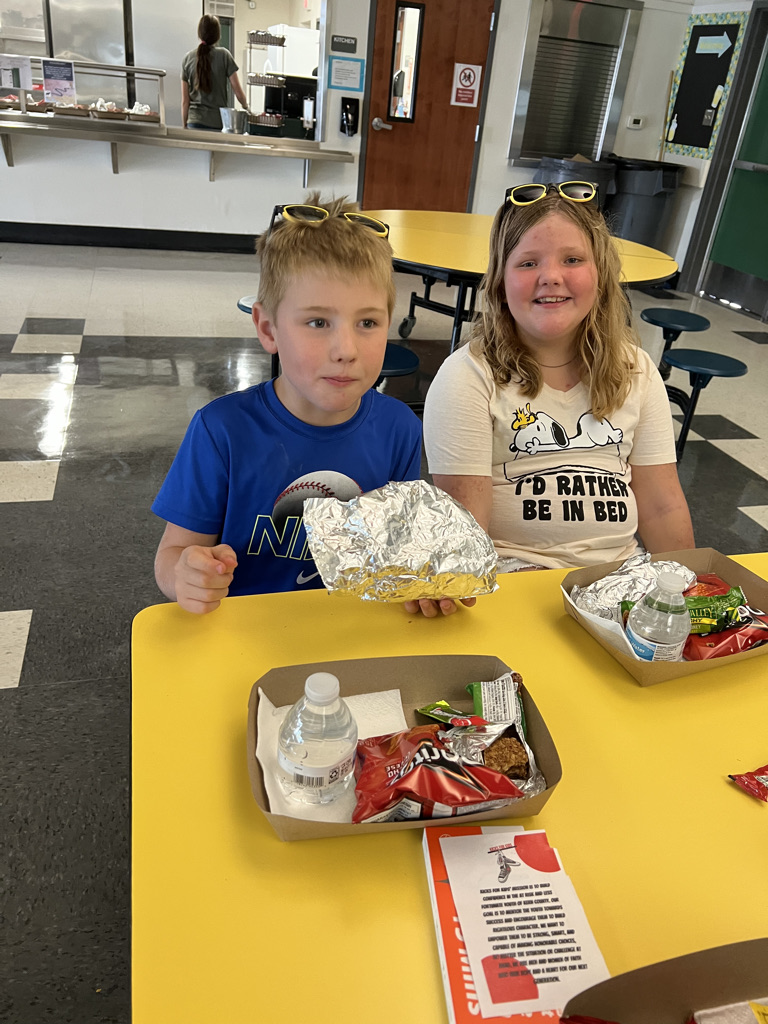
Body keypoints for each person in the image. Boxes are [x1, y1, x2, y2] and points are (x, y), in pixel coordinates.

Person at [152, 195, 423, 614]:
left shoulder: (400, 427)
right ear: (268, 328)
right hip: (245, 634)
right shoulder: (221, 431)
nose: (346, 350)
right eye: (318, 322)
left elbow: (399, 543)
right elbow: (173, 555)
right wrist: (187, 576)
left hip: (354, 630)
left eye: (367, 323)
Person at [422, 180, 694, 583]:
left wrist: (690, 589)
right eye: (528, 263)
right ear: (500, 281)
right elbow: (466, 526)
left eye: (572, 260)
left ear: (600, 274)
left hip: (620, 579)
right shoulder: (468, 376)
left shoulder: (636, 370)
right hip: (514, 579)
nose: (550, 276)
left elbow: (661, 506)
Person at [181, 14, 248, 131]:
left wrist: (184, 125)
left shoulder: (187, 58)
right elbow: (238, 91)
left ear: (199, 33)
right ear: (218, 35)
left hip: (194, 122)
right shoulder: (224, 55)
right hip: (217, 123)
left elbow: (185, 101)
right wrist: (246, 106)